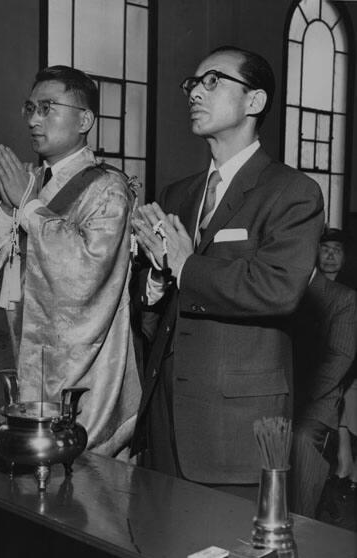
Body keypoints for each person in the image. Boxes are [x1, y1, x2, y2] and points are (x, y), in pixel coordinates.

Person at [130, 45, 324, 491]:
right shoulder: (179, 193)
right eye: (192, 84)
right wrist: (158, 275)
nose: (195, 92)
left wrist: (184, 265)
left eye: (212, 81)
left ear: (254, 102)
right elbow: (153, 297)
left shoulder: (291, 191)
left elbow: (279, 288)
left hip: (232, 426)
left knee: (225, 554)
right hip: (165, 416)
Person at [0, 66, 141, 457]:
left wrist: (28, 207)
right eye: (30, 108)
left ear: (85, 120)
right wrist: (10, 209)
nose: (33, 120)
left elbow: (85, 275)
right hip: (11, 353)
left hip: (71, 372)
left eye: (47, 108)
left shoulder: (107, 188)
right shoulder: (29, 180)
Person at [291, 228, 357, 519]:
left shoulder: (346, 296)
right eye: (325, 248)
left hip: (329, 387)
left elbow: (341, 358)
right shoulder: (296, 289)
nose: (330, 255)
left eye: (337, 250)